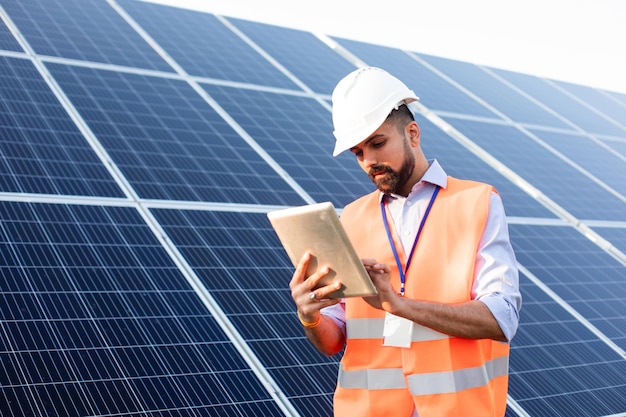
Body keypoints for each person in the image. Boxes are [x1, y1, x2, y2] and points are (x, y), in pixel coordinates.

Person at [289, 67, 521, 417]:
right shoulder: (349, 218)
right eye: (358, 152)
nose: (369, 161)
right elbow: (333, 338)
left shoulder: (478, 202)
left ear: (412, 133)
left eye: (377, 143)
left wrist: (398, 304)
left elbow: (500, 319)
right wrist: (310, 316)